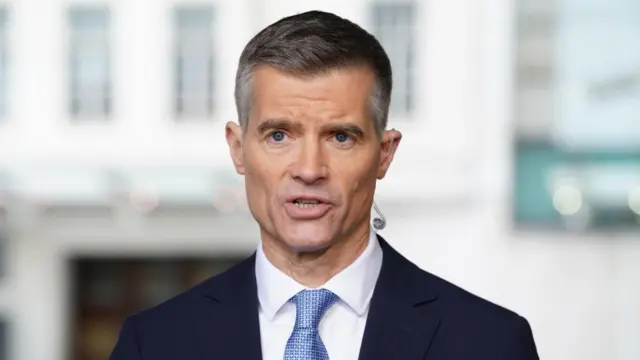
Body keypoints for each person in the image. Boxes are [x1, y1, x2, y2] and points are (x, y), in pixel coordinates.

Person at [109, 10, 539, 360]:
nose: (309, 169)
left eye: (340, 137)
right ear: (238, 150)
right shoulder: (155, 344)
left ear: (385, 153)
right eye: (279, 135)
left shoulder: (490, 344)